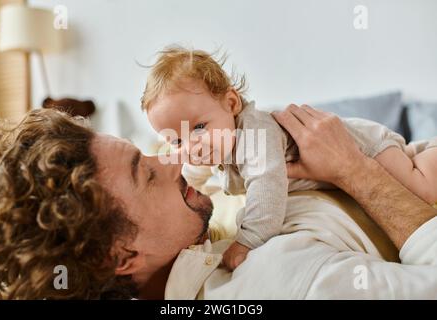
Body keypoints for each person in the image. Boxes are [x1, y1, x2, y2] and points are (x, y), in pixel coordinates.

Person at [0, 107, 436, 300]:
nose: (169, 160)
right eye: (144, 174)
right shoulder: (275, 284)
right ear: (119, 255)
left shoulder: (198, 243)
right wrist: (355, 169)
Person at [141, 46, 437, 270]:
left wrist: (247, 240)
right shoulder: (214, 142)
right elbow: (194, 172)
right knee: (411, 160)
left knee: (421, 186)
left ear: (231, 103)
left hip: (364, 147)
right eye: (177, 138)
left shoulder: (256, 134)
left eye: (200, 127)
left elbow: (266, 186)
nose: (192, 144)